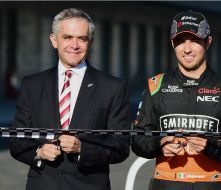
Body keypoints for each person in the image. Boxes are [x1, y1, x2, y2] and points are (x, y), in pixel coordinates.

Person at [9, 8, 131, 190]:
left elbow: (120, 146)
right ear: (54, 40)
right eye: (67, 37)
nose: (75, 45)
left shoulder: (113, 87)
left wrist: (83, 148)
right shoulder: (32, 85)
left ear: (91, 42)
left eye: (82, 38)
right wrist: (39, 152)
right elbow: (17, 140)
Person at [132, 10, 221, 190]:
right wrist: (159, 144)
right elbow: (138, 141)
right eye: (180, 41)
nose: (186, 49)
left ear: (208, 42)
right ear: (172, 43)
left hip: (210, 184)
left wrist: (210, 146)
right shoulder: (155, 85)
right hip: (165, 184)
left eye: (194, 40)